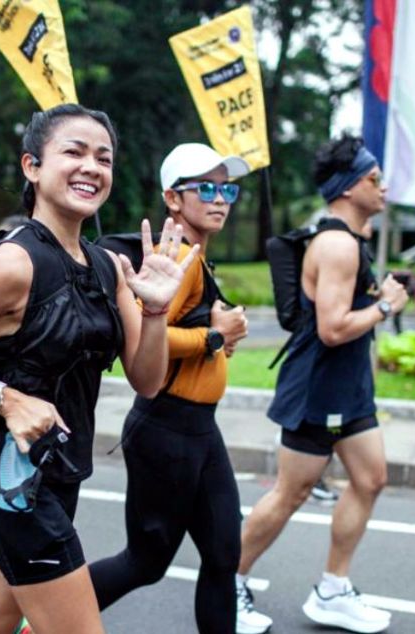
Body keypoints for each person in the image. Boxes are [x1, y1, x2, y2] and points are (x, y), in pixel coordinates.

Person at [0, 103, 196, 633]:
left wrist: (158, 309)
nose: (91, 167)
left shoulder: (106, 267)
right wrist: (4, 398)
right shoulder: (12, 263)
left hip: (61, 474)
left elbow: (146, 380)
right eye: (73, 152)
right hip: (11, 485)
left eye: (103, 157)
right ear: (32, 166)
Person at [88, 142, 265, 634]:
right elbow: (146, 335)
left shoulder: (198, 259)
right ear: (172, 199)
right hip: (165, 431)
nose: (220, 198)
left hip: (199, 432)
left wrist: (216, 340)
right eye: (204, 187)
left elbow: (190, 335)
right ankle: (42, 617)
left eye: (226, 188)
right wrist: (214, 336)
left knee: (224, 555)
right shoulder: (179, 258)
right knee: (145, 563)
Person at [235, 134, 408, 634]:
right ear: (349, 188)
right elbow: (332, 329)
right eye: (375, 179)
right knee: (293, 491)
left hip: (349, 391)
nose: (383, 187)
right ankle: (228, 583)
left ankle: (332, 589)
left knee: (371, 478)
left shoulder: (353, 241)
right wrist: (385, 307)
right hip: (317, 389)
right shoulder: (335, 245)